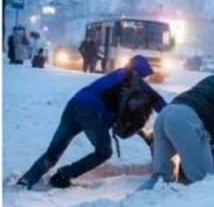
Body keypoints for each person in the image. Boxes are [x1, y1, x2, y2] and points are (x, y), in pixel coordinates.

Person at [17, 55, 166, 190]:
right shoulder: (133, 78)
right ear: (141, 71)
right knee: (104, 152)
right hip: (90, 112)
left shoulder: (117, 75)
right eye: (144, 76)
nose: (144, 80)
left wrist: (144, 135)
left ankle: (27, 180)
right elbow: (157, 101)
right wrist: (170, 114)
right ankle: (64, 175)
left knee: (53, 152)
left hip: (73, 105)